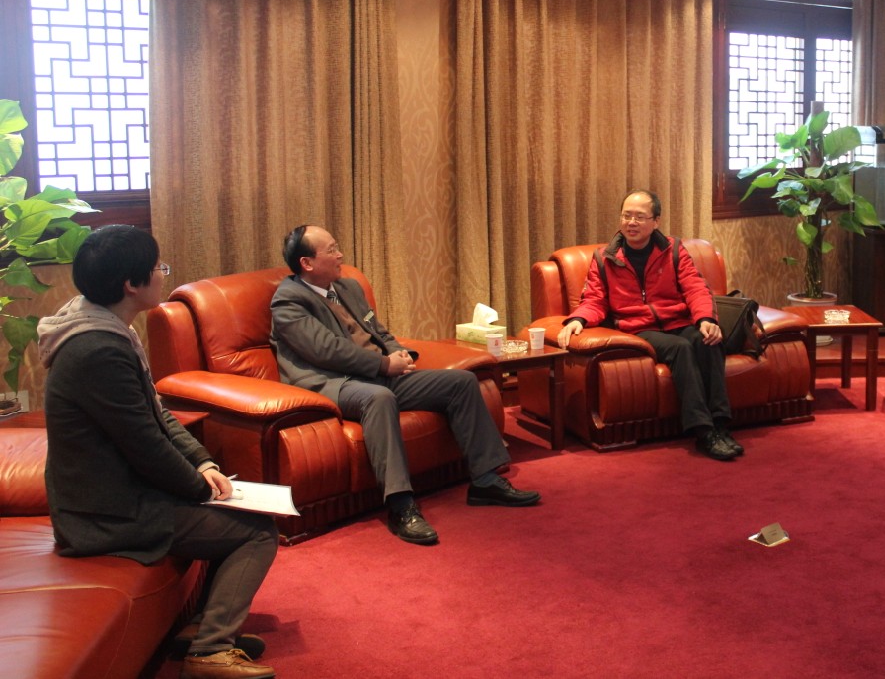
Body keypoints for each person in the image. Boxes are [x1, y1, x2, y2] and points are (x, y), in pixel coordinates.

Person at [39, 225, 278, 679]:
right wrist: (200, 491)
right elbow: (145, 446)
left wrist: (202, 463)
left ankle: (199, 629)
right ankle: (209, 651)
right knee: (257, 532)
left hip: (117, 495)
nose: (162, 275)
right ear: (131, 284)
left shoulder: (102, 326)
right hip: (104, 514)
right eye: (157, 268)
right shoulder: (97, 350)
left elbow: (156, 412)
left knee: (235, 510)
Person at [271, 225, 539, 546]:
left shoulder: (348, 287)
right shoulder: (289, 301)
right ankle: (401, 506)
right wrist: (384, 365)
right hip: (335, 383)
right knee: (379, 398)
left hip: (379, 375)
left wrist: (402, 355)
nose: (340, 255)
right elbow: (327, 350)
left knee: (462, 382)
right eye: (331, 250)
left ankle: (485, 479)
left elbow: (379, 331)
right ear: (307, 263)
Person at [556, 190, 740, 461]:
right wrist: (577, 319)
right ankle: (703, 431)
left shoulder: (673, 250)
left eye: (640, 217)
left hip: (678, 320)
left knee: (708, 340)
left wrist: (706, 319)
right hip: (639, 328)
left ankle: (721, 425)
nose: (631, 222)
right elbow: (595, 299)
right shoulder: (605, 258)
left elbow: (696, 288)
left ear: (656, 221)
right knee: (680, 348)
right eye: (626, 216)